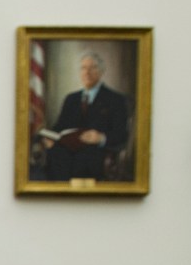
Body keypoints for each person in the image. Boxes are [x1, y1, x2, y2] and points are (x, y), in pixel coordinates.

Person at [41, 52, 129, 181]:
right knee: (54, 155)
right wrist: (50, 138)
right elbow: (59, 127)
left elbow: (121, 134)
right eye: (83, 68)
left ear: (101, 72)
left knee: (80, 160)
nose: (87, 72)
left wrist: (101, 138)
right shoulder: (71, 99)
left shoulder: (116, 99)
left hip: (95, 154)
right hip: (66, 152)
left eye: (92, 68)